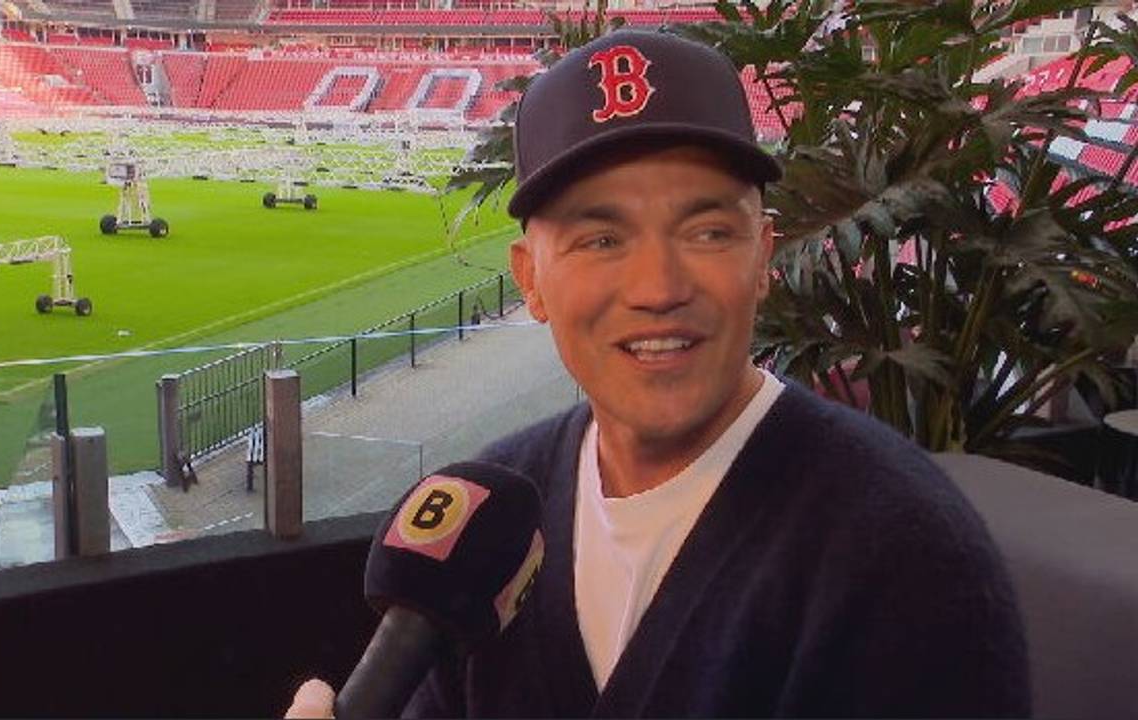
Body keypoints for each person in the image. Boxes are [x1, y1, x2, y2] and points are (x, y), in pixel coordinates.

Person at [288, 29, 1030, 718]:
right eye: (601, 238)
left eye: (707, 231)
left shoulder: (903, 559)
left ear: (764, 256)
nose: (658, 286)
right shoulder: (488, 512)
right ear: (530, 281)